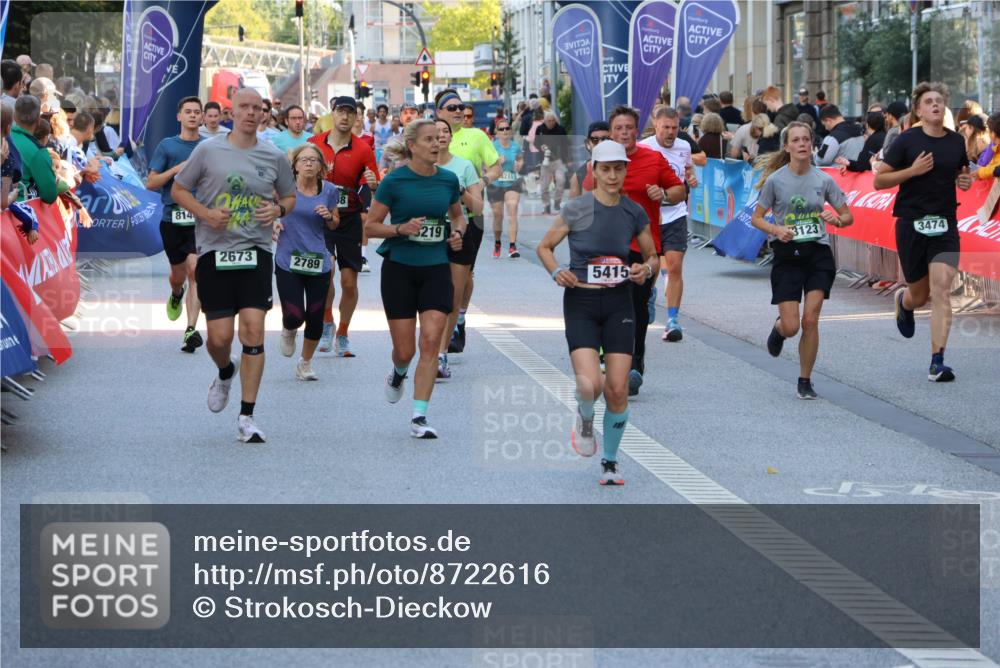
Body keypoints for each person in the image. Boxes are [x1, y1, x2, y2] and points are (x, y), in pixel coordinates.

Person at [171, 87, 297, 443]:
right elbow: (180, 190)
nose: (251, 113)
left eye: (257, 108)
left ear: (264, 114)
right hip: (214, 252)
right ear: (232, 111)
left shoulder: (273, 156)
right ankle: (225, 370)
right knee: (220, 338)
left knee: (254, 331)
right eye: (244, 107)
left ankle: (247, 416)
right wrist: (206, 214)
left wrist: (278, 209)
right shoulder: (209, 149)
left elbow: (289, 196)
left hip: (255, 250)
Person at [537, 140, 659, 485]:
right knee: (590, 385)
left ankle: (609, 461)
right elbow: (545, 247)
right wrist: (556, 270)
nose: (612, 175)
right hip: (582, 303)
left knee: (618, 388)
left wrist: (646, 271)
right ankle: (585, 415)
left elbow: (653, 256)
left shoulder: (633, 211)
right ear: (594, 171)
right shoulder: (577, 208)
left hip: (620, 302)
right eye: (605, 169)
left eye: (618, 168)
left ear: (624, 170)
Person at [364, 119, 466, 438]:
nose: (437, 144)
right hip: (400, 268)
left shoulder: (448, 180)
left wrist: (458, 233)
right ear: (413, 146)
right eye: (429, 139)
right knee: (405, 350)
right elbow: (369, 226)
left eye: (439, 139)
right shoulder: (394, 182)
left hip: (436, 266)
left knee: (432, 340)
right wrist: (399, 229)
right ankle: (398, 372)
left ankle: (419, 417)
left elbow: (458, 215)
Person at [873, 81, 974, 383]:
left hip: (945, 223)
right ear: (918, 110)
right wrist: (912, 172)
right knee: (920, 294)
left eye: (940, 101)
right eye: (929, 101)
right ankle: (904, 302)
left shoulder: (956, 142)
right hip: (911, 223)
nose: (936, 105)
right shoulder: (907, 141)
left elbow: (962, 173)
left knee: (942, 290)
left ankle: (937, 361)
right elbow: (880, 181)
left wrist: (964, 181)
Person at [582, 105, 685, 396]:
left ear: (637, 131)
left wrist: (663, 194)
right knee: (609, 306)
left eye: (629, 128)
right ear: (611, 132)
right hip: (607, 245)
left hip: (644, 246)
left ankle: (634, 365)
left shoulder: (653, 159)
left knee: (636, 310)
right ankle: (617, 361)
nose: (624, 133)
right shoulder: (600, 161)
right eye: (619, 128)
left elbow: (679, 190)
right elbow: (585, 196)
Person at [751, 122, 853, 399]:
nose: (802, 144)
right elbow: (756, 218)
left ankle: (804, 380)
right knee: (793, 326)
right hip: (788, 255)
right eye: (796, 140)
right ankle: (779, 329)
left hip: (818, 253)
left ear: (812, 144)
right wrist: (776, 229)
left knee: (810, 320)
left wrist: (837, 219)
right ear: (787, 146)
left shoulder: (824, 180)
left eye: (806, 139)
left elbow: (848, 217)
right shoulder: (776, 180)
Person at [307, 96, 380, 357]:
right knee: (325, 273)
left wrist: (372, 184)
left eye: (351, 112)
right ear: (333, 113)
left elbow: (372, 184)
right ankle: (327, 322)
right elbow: (298, 177)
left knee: (349, 282)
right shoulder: (314, 144)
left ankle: (343, 333)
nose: (345, 117)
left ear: (356, 117)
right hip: (321, 216)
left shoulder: (363, 149)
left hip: (349, 217)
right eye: (341, 111)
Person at [435, 89, 501, 356]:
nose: (459, 111)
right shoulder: (429, 135)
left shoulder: (476, 136)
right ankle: (444, 329)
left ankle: (459, 315)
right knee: (441, 280)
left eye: (461, 107)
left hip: (469, 215)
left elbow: (495, 165)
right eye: (452, 108)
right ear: (439, 112)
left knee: (465, 276)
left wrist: (480, 183)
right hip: (437, 220)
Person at [274, 143, 340, 380]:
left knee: (315, 316)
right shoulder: (284, 189)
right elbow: (270, 210)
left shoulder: (330, 190)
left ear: (321, 166)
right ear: (295, 166)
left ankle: (305, 362)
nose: (309, 163)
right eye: (304, 160)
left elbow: (335, 223)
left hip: (317, 261)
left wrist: (329, 216)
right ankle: (289, 329)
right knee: (294, 315)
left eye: (314, 160)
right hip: (287, 259)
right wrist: (274, 222)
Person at [147, 96, 206, 352]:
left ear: (202, 117)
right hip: (172, 218)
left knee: (195, 271)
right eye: (188, 112)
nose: (193, 116)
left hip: (199, 220)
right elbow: (151, 183)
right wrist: (177, 169)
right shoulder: (167, 146)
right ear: (179, 116)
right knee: (178, 275)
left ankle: (191, 330)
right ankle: (175, 293)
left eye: (197, 112)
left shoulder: (209, 147)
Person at [639, 106, 697, 343]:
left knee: (674, 267)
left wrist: (691, 178)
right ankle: (649, 295)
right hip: (650, 217)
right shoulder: (645, 148)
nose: (671, 133)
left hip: (675, 214)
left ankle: (672, 320)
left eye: (675, 128)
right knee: (649, 268)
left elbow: (687, 170)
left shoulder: (684, 147)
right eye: (666, 128)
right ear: (656, 125)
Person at [432, 119, 483, 380]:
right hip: (428, 236)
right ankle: (430, 347)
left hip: (458, 233)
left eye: (445, 132)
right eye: (435, 132)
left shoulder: (464, 166)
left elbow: (478, 208)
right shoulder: (421, 167)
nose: (440, 136)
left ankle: (441, 353)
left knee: (452, 298)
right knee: (430, 299)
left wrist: (461, 191)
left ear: (451, 137)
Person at [10, 95, 65, 204]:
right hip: (19, 213)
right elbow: (49, 195)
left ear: (14, 117)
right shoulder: (38, 152)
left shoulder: (4, 137)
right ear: (38, 120)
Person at [487, 118, 523, 259]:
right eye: (501, 129)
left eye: (507, 128)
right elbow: (486, 166)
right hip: (495, 184)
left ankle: (513, 246)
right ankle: (497, 242)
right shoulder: (492, 146)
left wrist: (519, 164)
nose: (505, 131)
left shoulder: (515, 146)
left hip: (512, 182)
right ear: (497, 132)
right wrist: (496, 163)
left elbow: (520, 158)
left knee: (512, 211)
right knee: (498, 216)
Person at [534, 111, 569, 214]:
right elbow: (536, 142)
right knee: (544, 186)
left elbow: (565, 145)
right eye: (549, 121)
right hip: (545, 161)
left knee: (561, 181)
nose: (551, 122)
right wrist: (540, 146)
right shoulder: (539, 129)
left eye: (553, 120)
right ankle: (546, 206)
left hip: (558, 160)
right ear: (545, 121)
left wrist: (567, 160)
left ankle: (557, 201)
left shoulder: (560, 129)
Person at [569, 121, 610, 198]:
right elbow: (573, 208)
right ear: (588, 144)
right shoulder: (580, 174)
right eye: (595, 140)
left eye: (605, 139)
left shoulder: (624, 166)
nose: (600, 144)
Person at [973, 113, 1000, 181]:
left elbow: (995, 168)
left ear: (993, 134)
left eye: (989, 131)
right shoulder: (996, 147)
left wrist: (979, 173)